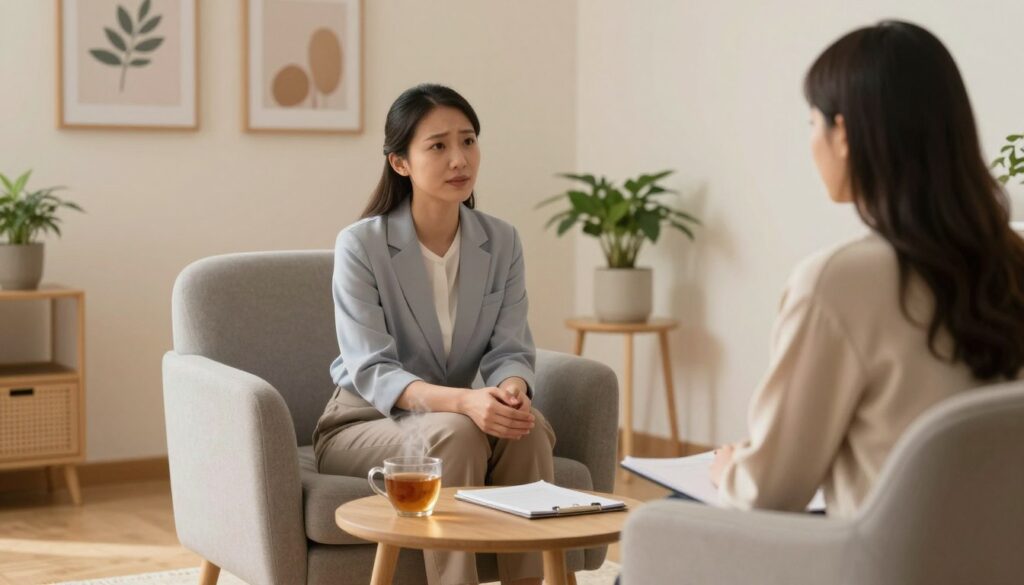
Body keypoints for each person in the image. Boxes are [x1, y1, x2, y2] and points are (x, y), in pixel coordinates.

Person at [709, 20, 1024, 518]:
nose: (810, 141)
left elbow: (767, 494)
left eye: (812, 123)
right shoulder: (1013, 260)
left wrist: (730, 470)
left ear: (844, 135)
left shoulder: (837, 285)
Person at [313, 84, 554, 585]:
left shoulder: (501, 240)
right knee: (460, 433)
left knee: (525, 431)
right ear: (401, 162)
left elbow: (512, 348)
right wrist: (466, 403)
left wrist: (511, 392)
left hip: (457, 415)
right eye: (438, 145)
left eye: (468, 141)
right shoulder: (361, 245)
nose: (459, 159)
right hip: (364, 419)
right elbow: (372, 368)